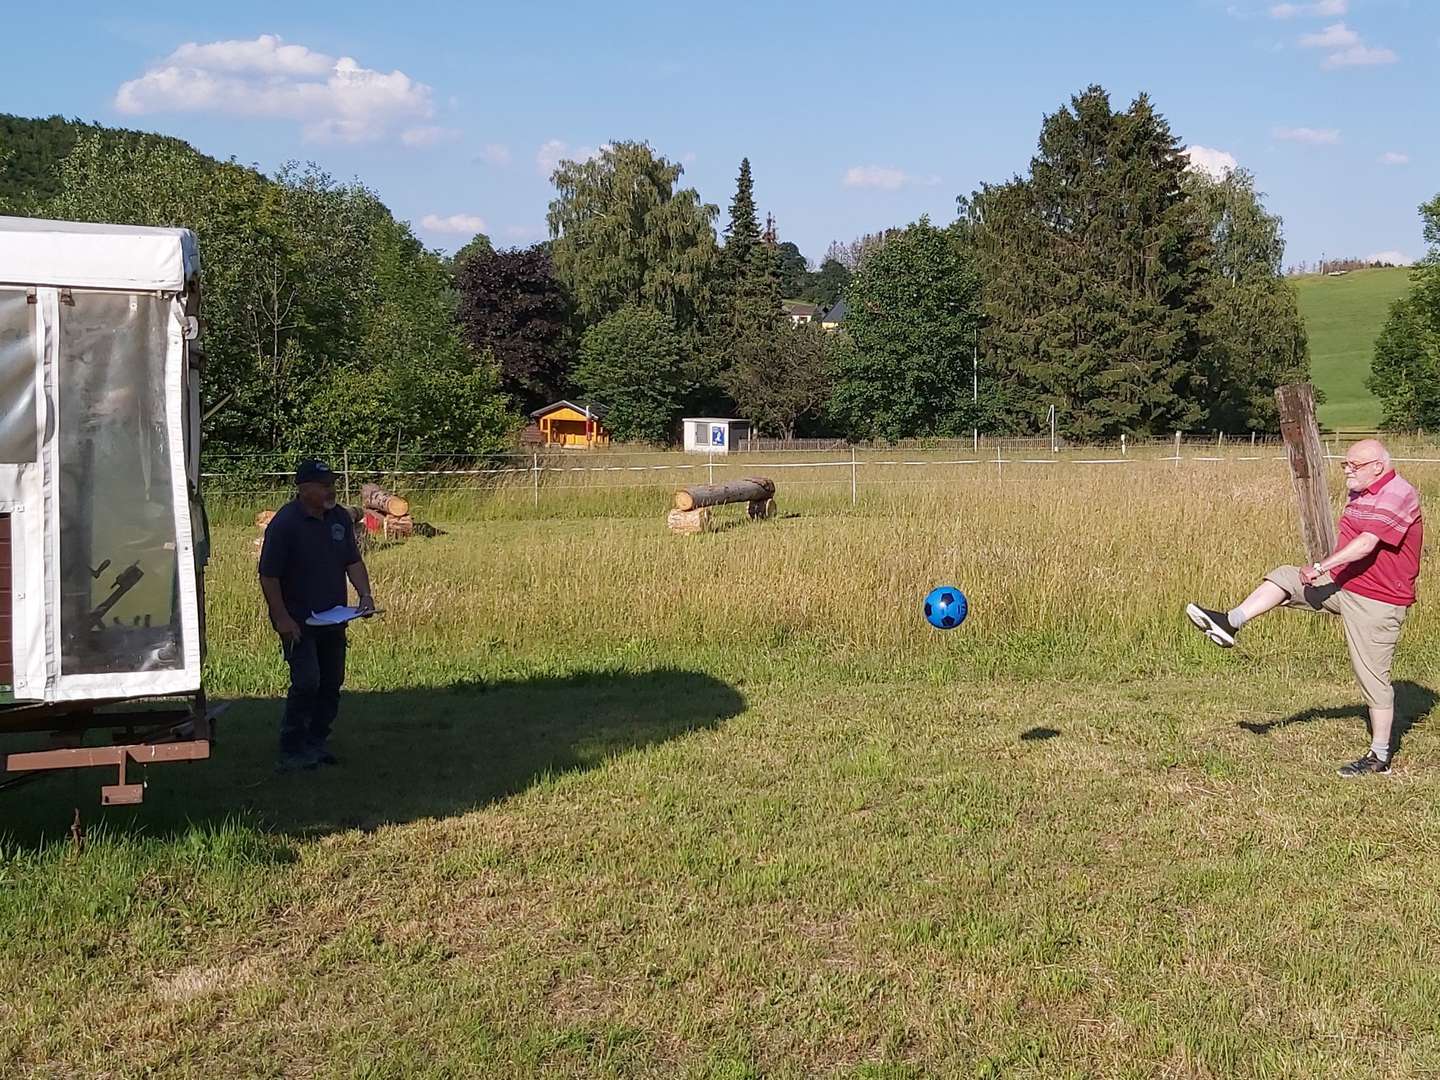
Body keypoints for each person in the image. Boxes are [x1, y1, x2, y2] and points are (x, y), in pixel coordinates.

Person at [1186, 439, 1422, 778]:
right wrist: (1328, 574)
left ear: (1378, 467)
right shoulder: (1362, 490)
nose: (1346, 471)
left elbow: (1367, 543)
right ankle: (1230, 621)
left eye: (1354, 466)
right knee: (1285, 577)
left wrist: (1322, 567)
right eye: (1345, 465)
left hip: (1378, 601)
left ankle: (1379, 756)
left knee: (1372, 678)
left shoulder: (1399, 493)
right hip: (1344, 588)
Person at [258, 459, 376, 772]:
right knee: (307, 681)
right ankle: (292, 748)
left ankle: (317, 741)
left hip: (333, 618)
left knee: (331, 681)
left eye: (332, 483)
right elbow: (269, 576)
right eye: (324, 485)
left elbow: (353, 561)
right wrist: (282, 618)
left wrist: (364, 596)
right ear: (304, 488)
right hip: (297, 620)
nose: (331, 489)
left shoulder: (338, 518)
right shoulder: (285, 524)